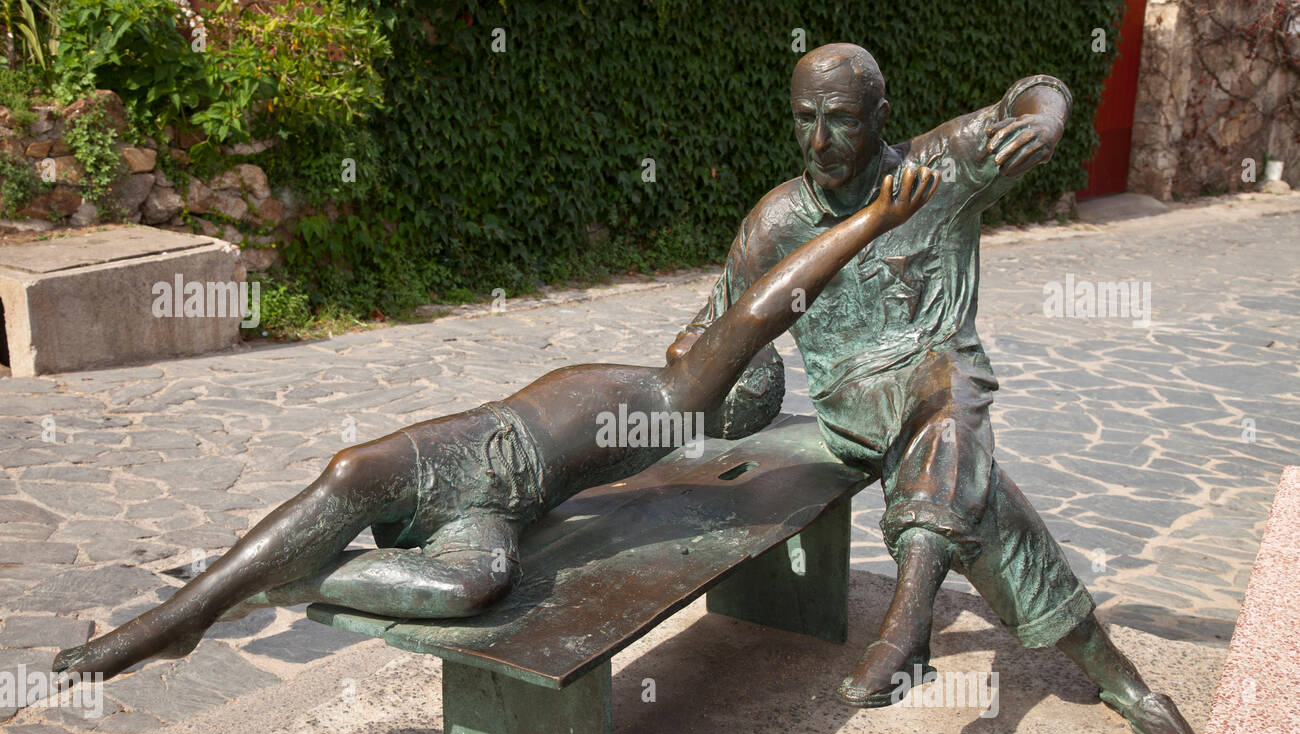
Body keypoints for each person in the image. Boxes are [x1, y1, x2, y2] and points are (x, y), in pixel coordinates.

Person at [53, 166, 940, 684]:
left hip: (503, 506)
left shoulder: (680, 399)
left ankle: (294, 578)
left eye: (715, 348)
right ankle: (186, 612)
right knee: (351, 472)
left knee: (469, 592)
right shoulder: (643, 387)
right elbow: (735, 303)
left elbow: (759, 310)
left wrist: (871, 219)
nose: (698, 331)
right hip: (474, 448)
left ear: (728, 390)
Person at [664, 43, 1199, 734]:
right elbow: (707, 332)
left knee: (954, 418)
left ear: (881, 117)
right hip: (853, 407)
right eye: (804, 119)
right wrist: (707, 368)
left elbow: (1036, 88)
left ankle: (914, 628)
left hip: (942, 385)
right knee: (964, 461)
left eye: (843, 120)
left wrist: (1041, 123)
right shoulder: (776, 223)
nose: (819, 141)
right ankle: (1110, 679)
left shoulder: (937, 169)